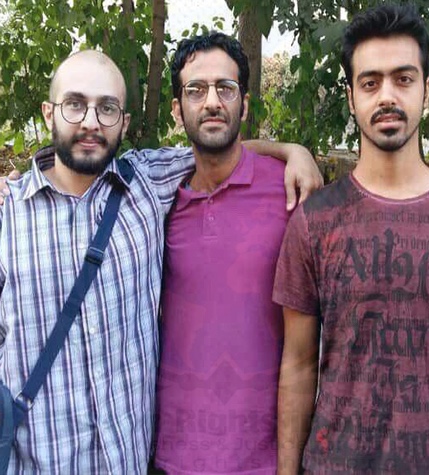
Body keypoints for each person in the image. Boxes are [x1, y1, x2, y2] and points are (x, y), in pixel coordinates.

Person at [0, 50, 321, 475]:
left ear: (124, 123)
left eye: (107, 108)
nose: (91, 122)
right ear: (49, 112)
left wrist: (293, 150)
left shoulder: (146, 184)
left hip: (126, 462)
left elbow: (218, 141)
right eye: (75, 104)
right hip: (33, 462)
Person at [274, 4, 429, 474]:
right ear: (351, 97)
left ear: (427, 88)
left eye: (403, 79)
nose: (387, 95)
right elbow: (298, 366)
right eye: (370, 83)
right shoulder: (312, 223)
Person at [151, 32, 288, 474]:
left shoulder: (288, 190)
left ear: (244, 105)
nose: (212, 102)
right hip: (171, 457)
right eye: (196, 90)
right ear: (177, 110)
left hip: (264, 459)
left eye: (225, 89)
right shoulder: (154, 200)